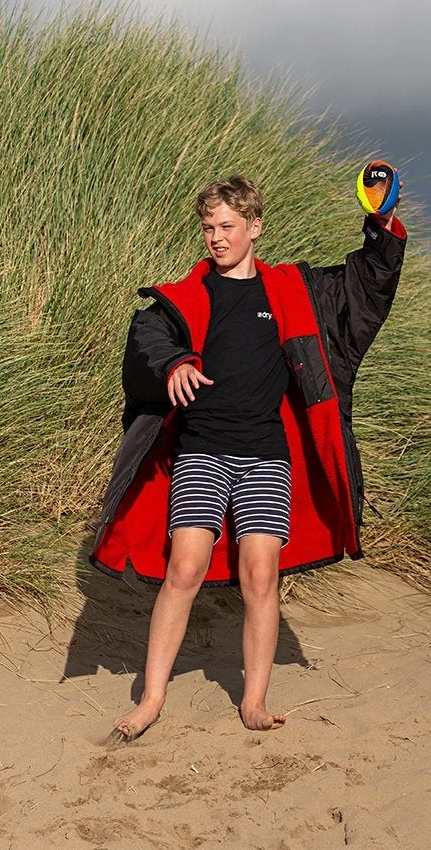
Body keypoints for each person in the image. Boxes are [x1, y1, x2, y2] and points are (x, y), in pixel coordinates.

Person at [90, 171, 406, 738]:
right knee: (184, 568)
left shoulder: (292, 291)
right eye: (208, 227)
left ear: (255, 227)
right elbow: (147, 339)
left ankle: (254, 701)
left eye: (228, 226)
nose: (217, 237)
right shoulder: (185, 297)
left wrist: (381, 225)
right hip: (201, 451)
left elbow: (365, 285)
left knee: (261, 577)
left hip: (265, 455)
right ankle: (151, 699)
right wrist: (173, 363)